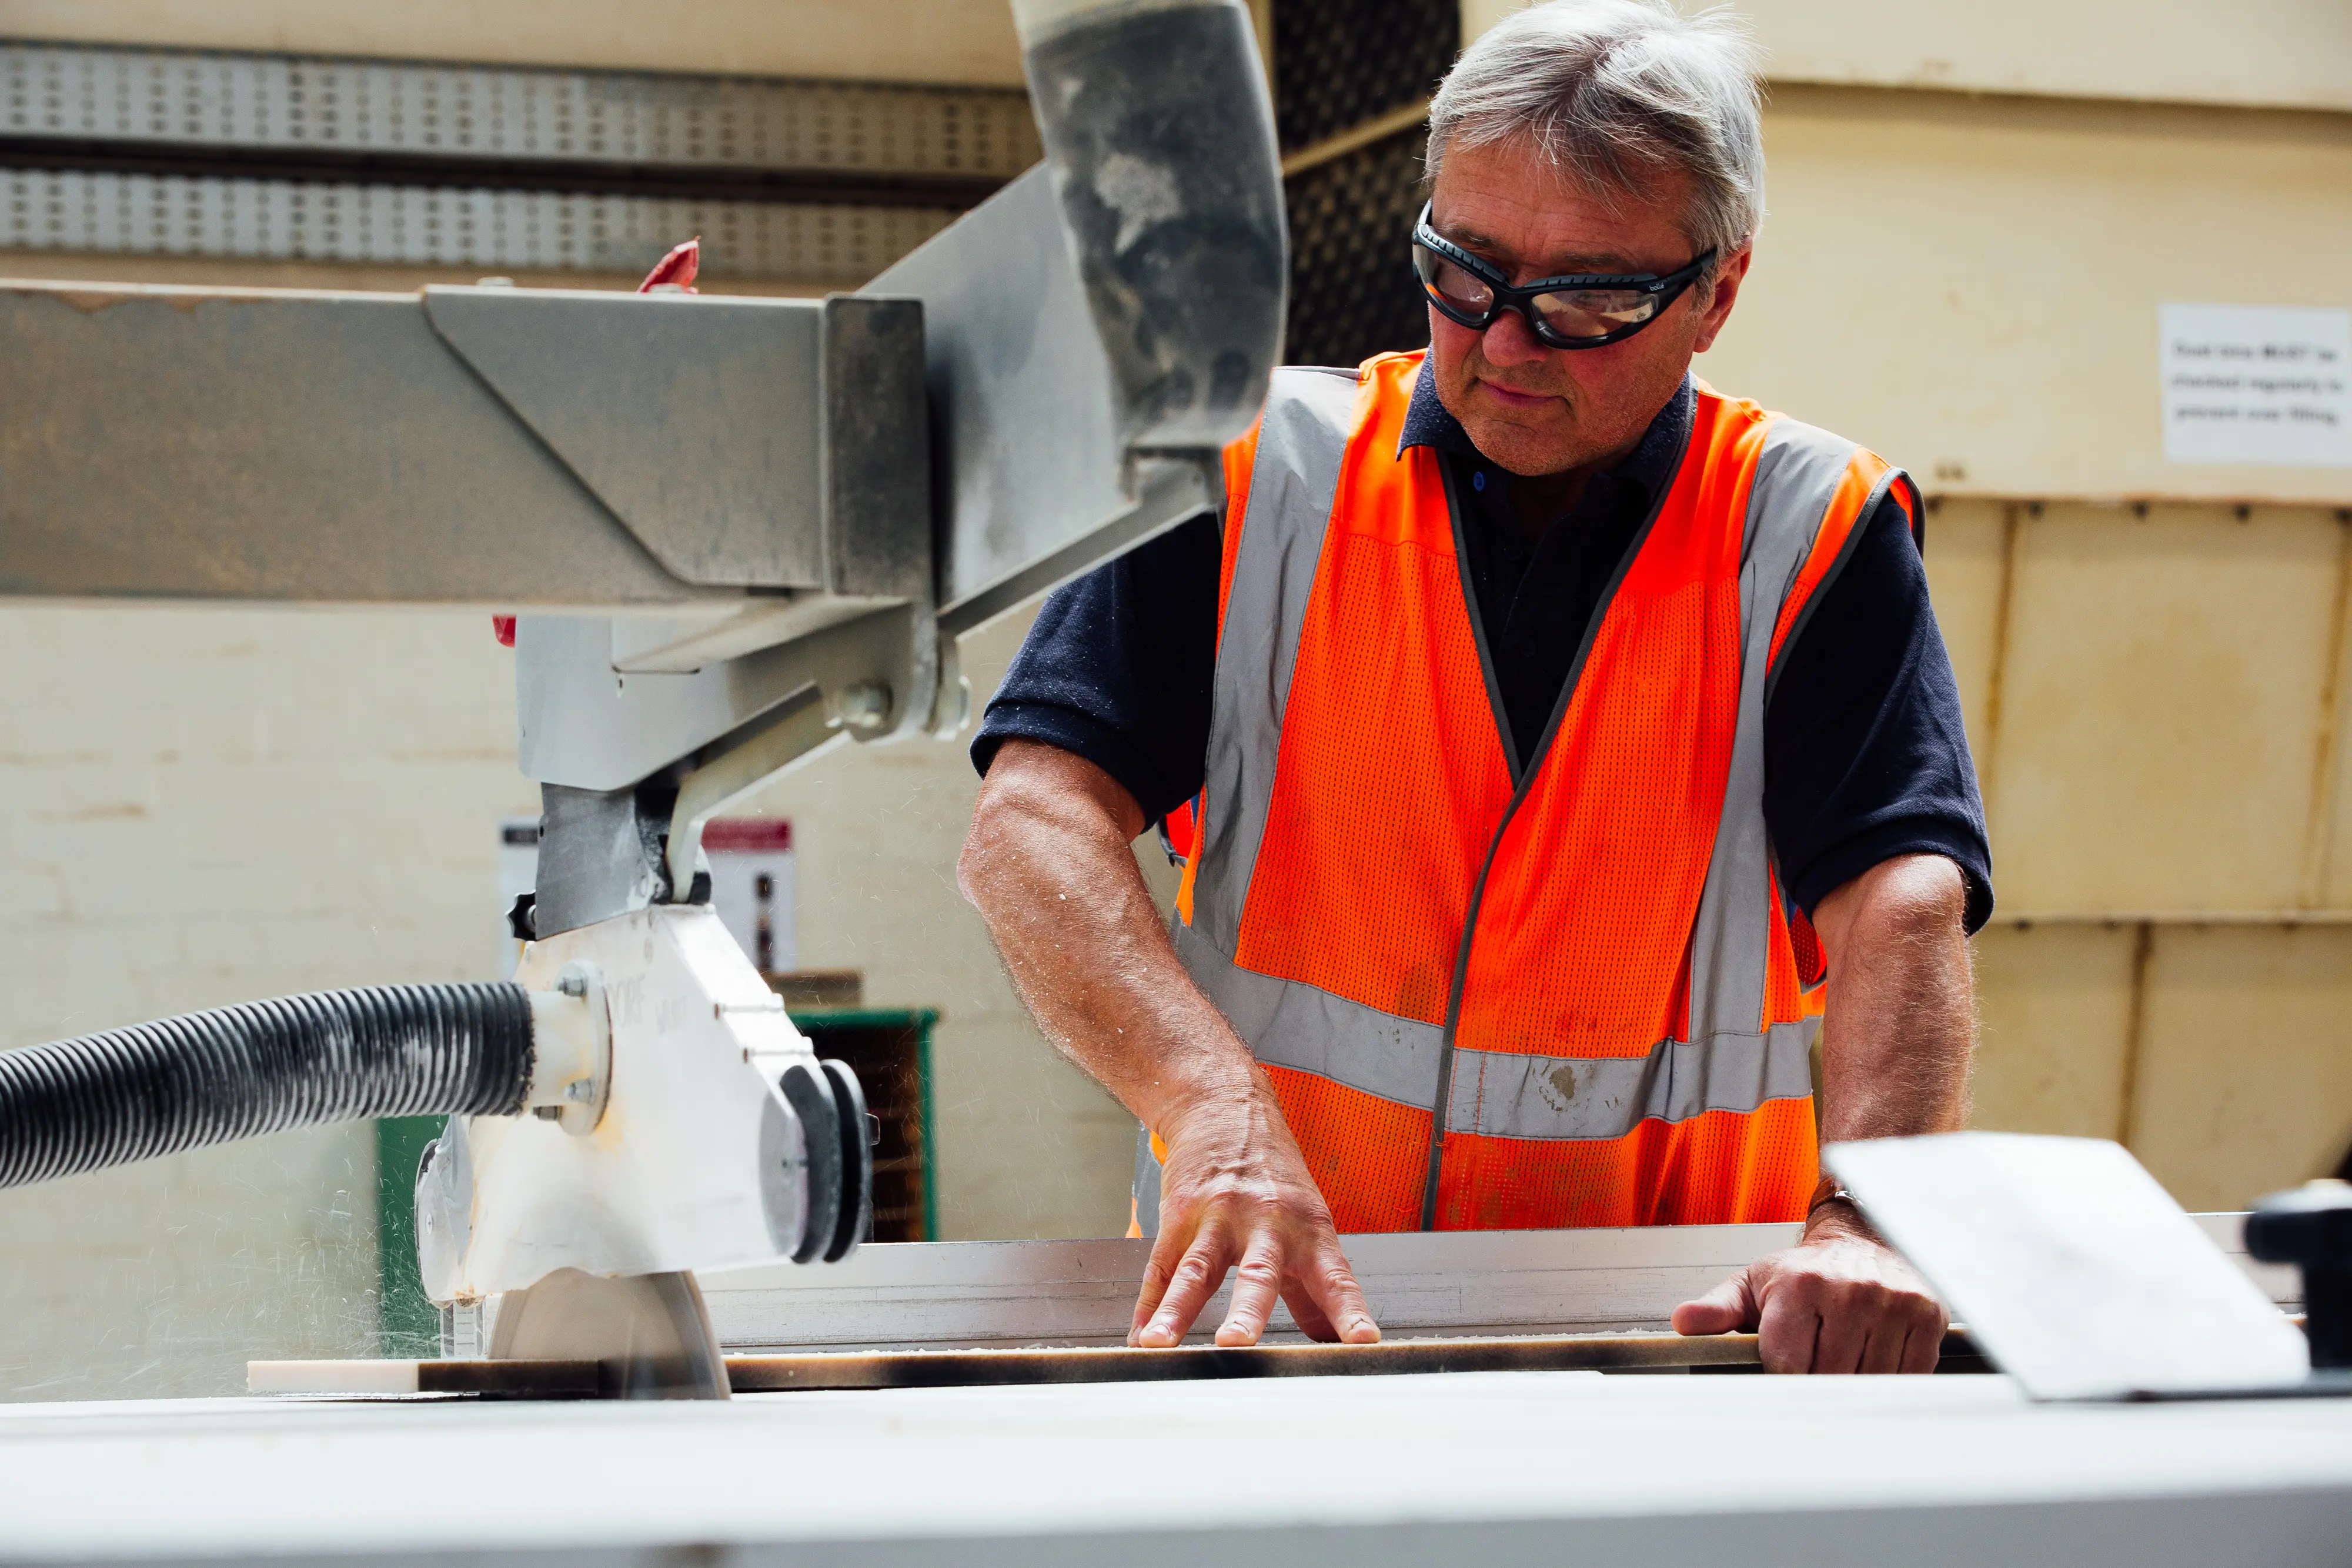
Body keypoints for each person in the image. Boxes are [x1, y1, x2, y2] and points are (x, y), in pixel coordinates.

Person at [958, 0, 1990, 1375]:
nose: (1504, 345)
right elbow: (1028, 830)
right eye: (1465, 272)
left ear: (1715, 293)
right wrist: (1212, 1109)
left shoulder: (1806, 530)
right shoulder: (1247, 473)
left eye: (1583, 300)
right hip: (1285, 1314)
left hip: (1671, 1341)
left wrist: (1867, 1222)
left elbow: (1899, 901)